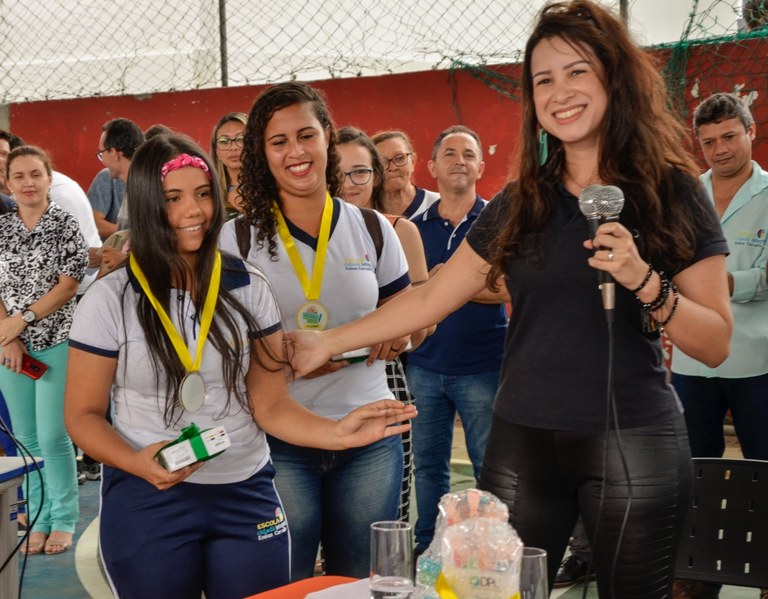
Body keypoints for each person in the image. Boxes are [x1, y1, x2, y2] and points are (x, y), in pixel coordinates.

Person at [287, 2, 733, 596]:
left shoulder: (673, 190)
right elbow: (430, 299)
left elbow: (716, 343)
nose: (559, 91)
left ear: (613, 77)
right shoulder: (522, 200)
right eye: (543, 79)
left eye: (576, 71)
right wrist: (329, 340)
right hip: (524, 441)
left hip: (637, 444)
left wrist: (643, 279)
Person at [63, 134, 415, 598]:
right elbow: (81, 415)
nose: (194, 211)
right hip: (149, 495)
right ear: (148, 204)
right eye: (173, 198)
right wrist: (134, 461)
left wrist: (338, 433)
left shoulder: (248, 285)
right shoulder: (112, 299)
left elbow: (269, 403)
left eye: (203, 193)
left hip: (245, 490)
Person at [219, 82, 413, 581]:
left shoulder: (373, 228)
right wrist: (273, 351)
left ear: (327, 137)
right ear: (262, 153)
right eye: (278, 141)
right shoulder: (236, 238)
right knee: (288, 579)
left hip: (369, 429)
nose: (296, 151)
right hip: (278, 438)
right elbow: (219, 344)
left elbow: (408, 322)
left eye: (306, 134)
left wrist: (401, 333)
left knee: (364, 581)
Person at [670, 92, 768, 599]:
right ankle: (696, 570)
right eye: (708, 142)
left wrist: (719, 285)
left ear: (751, 132)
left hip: (757, 360)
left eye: (729, 137)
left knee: (764, 466)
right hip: (691, 358)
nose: (720, 149)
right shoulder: (689, 195)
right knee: (693, 471)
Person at [407, 125, 508, 553]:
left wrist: (443, 282)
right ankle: (429, 543)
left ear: (481, 167)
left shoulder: (499, 221)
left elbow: (506, 286)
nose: (459, 160)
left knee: (491, 467)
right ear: (431, 167)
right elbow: (407, 295)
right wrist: (461, 281)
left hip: (483, 366)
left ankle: (487, 551)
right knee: (429, 467)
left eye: (469, 154)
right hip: (425, 367)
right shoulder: (412, 229)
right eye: (450, 153)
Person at [337, 125, 432, 522]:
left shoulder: (395, 229)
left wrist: (398, 331)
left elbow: (423, 326)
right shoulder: (298, 237)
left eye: (360, 172)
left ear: (375, 174)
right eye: (338, 173)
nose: (349, 184)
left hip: (380, 379)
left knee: (379, 520)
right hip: (303, 386)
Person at [0, 145, 88, 555]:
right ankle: (38, 517)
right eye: (19, 176)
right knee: (26, 438)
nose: (27, 183)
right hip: (11, 348)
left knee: (53, 436)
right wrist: (10, 335)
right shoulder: (2, 229)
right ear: (8, 183)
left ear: (49, 178)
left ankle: (64, 519)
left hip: (56, 341)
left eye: (35, 174)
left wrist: (25, 320)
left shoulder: (65, 224)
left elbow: (68, 285)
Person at [372, 130, 440, 218]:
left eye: (399, 158)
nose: (392, 167)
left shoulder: (439, 205)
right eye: (382, 162)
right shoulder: (367, 214)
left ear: (413, 162)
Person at [210, 112, 247, 219]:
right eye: (224, 141)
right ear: (216, 151)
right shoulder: (211, 193)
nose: (233, 147)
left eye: (240, 139)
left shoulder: (274, 186)